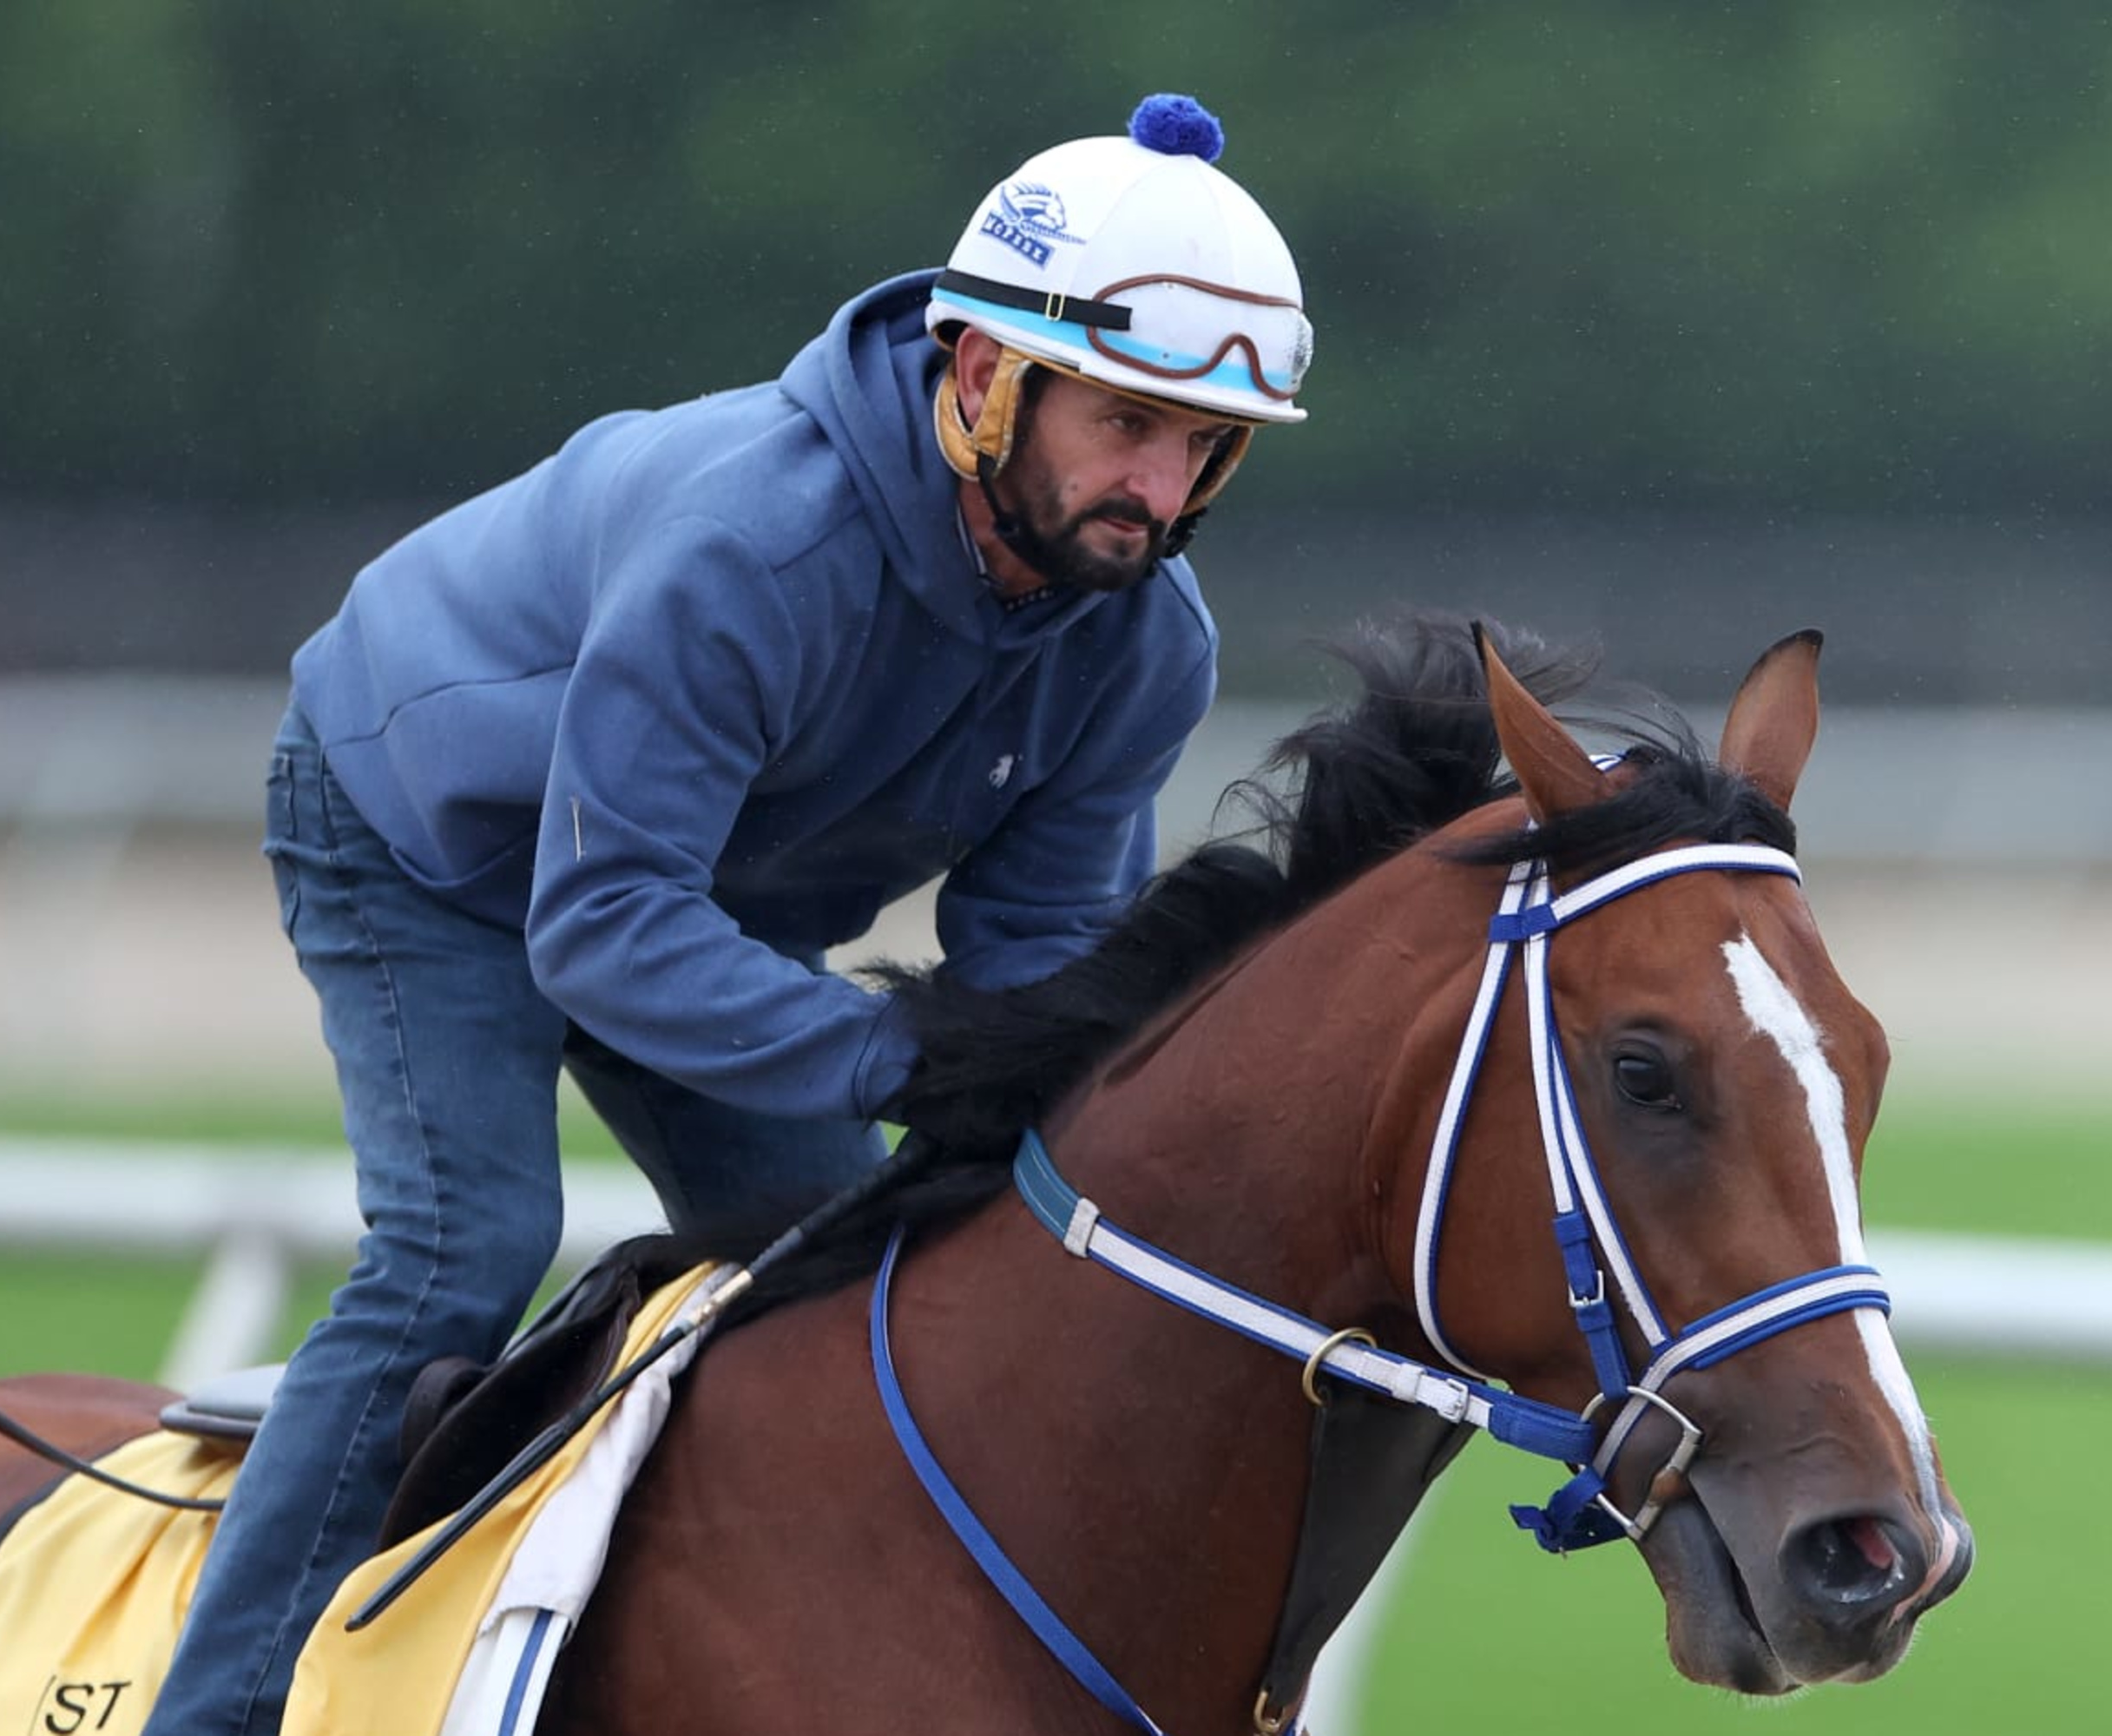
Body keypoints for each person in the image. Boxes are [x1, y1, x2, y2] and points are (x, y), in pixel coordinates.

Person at [141, 91, 1311, 1736]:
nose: (1159, 488)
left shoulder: (1145, 639)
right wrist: (898, 1053)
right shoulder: (753, 547)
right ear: (983, 379)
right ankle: (221, 1714)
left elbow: (1037, 964)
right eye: (1127, 422)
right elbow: (603, 926)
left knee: (866, 1269)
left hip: (683, 893)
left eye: (1205, 449)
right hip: (428, 839)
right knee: (462, 1243)